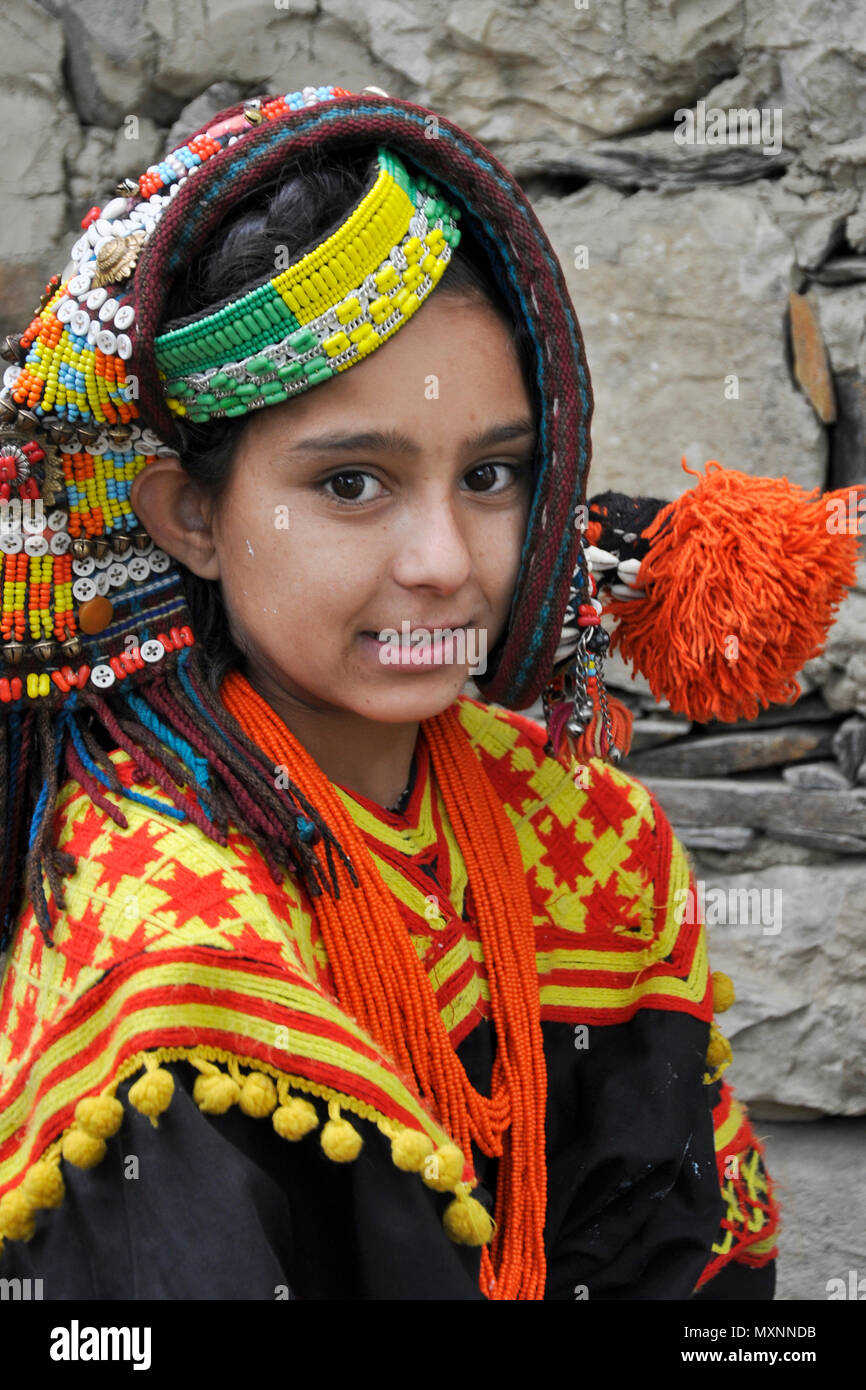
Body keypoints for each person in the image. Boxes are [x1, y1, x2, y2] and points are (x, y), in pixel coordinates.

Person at [4, 78, 857, 1302]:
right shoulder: (163, 932)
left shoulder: (588, 833)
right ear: (191, 516)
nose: (445, 563)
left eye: (492, 474)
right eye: (352, 483)